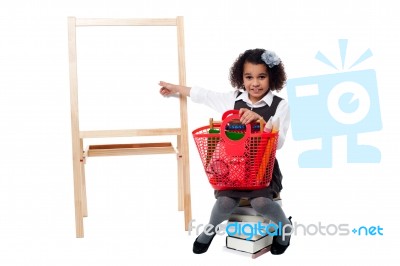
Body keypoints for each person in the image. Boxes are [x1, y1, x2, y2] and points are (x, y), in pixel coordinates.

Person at [159, 48, 292, 255]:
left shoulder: (280, 105)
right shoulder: (233, 99)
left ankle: (285, 229)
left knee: (262, 203)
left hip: (262, 170)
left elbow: (280, 142)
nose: (255, 83)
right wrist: (175, 88)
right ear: (241, 77)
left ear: (271, 77)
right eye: (249, 77)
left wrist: (261, 121)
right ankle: (209, 231)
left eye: (261, 77)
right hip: (234, 169)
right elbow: (203, 95)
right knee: (224, 203)